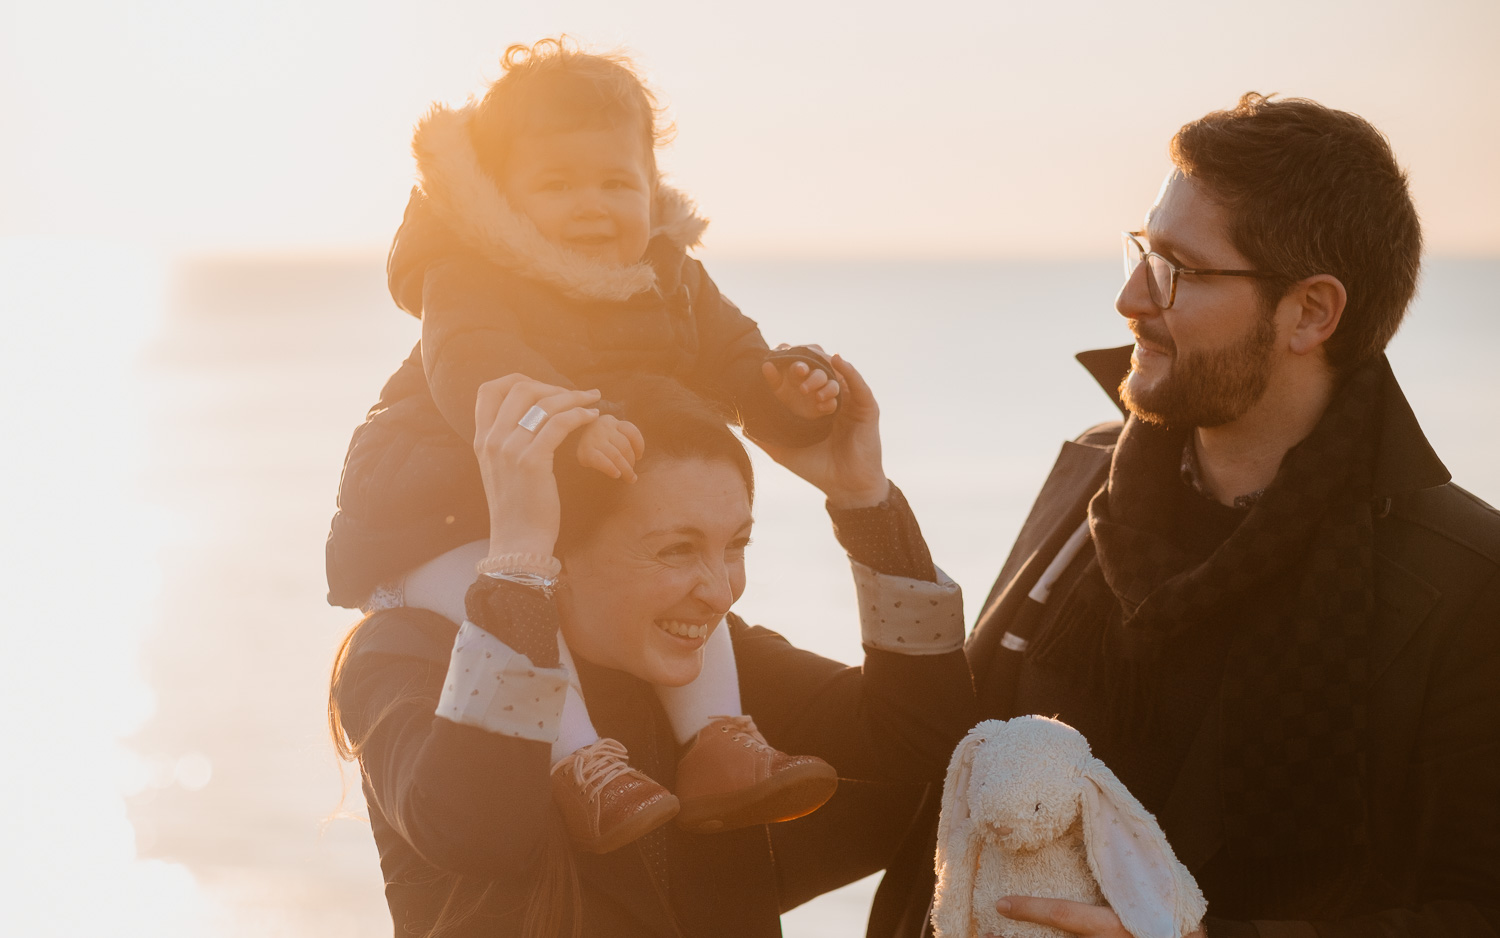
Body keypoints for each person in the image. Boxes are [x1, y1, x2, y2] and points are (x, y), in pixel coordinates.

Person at [866, 93, 1500, 937]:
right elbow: (957, 755)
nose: (1132, 296)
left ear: (1310, 312)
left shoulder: (1464, 581)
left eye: (1179, 268)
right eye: (1142, 250)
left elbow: (1477, 908)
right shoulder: (1089, 474)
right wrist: (861, 500)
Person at [325, 38, 851, 852]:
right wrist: (572, 429)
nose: (594, 206)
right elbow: (476, 366)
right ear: (502, 198)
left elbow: (734, 352)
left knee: (688, 588)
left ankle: (717, 742)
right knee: (505, 593)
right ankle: (584, 767)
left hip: (565, 497)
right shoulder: (471, 269)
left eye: (617, 183)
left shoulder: (667, 275)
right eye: (558, 184)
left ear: (653, 186)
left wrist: (789, 395)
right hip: (435, 512)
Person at [328, 366, 977, 937]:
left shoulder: (705, 670)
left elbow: (921, 740)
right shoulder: (409, 654)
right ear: (558, 552)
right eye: (676, 550)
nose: (720, 592)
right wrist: (519, 563)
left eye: (736, 545)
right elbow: (480, 831)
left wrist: (865, 502)